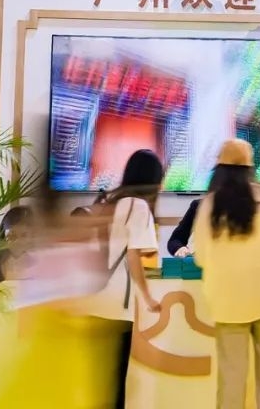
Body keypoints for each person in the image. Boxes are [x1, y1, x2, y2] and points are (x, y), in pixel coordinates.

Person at [192, 139, 260, 409]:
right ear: (250, 167)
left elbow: (200, 256)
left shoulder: (209, 206)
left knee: (231, 380)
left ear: (220, 169)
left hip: (226, 304)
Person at [85, 149, 165, 409]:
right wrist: (148, 297)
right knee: (116, 384)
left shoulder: (107, 201)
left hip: (92, 301)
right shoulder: (138, 207)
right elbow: (134, 256)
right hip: (117, 305)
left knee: (96, 385)